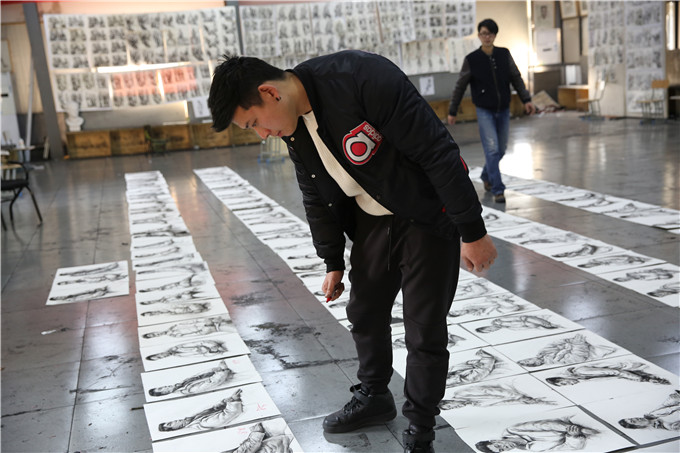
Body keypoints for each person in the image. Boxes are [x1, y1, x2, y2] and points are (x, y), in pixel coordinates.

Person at [209, 50, 498, 453]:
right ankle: (375, 396)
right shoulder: (294, 127)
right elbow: (315, 193)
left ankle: (420, 430)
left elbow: (436, 150)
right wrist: (332, 260)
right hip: (373, 219)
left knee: (423, 327)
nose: (261, 134)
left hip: (425, 215)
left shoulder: (362, 79)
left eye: (254, 122)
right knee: (365, 311)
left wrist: (472, 230)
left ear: (270, 93)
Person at [448, 19, 536, 203]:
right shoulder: (472, 59)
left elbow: (516, 77)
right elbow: (460, 86)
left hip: (503, 109)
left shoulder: (504, 54)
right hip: (484, 110)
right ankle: (498, 189)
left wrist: (526, 99)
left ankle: (486, 175)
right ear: (479, 36)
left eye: (489, 33)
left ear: (495, 35)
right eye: (483, 33)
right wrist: (453, 110)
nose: (486, 37)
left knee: (501, 149)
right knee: (492, 150)